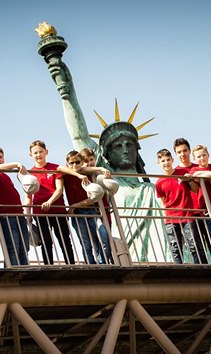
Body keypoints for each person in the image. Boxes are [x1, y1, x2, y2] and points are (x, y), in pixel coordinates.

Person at [54, 59, 166, 262]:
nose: (125, 149)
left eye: (129, 145)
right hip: (126, 257)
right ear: (106, 154)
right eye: (118, 146)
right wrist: (67, 93)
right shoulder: (107, 177)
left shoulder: (150, 188)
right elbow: (80, 138)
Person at [25, 140, 80, 265]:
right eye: (35, 153)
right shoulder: (30, 173)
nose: (38, 154)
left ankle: (70, 264)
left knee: (64, 239)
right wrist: (27, 214)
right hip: (40, 213)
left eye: (41, 151)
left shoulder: (55, 168)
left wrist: (49, 201)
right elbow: (28, 196)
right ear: (31, 155)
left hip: (58, 211)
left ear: (46, 152)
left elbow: (59, 189)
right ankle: (48, 265)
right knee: (46, 241)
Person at [155, 149, 206, 264]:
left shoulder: (182, 172)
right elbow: (164, 202)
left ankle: (201, 269)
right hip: (171, 218)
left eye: (168, 159)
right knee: (175, 247)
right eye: (163, 161)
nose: (166, 163)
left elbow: (195, 189)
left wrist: (189, 180)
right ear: (158, 163)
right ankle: (179, 270)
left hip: (187, 215)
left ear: (172, 160)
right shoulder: (159, 182)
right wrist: (166, 220)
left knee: (194, 245)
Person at [63, 151, 114, 264]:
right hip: (77, 214)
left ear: (82, 163)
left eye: (77, 162)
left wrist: (100, 168)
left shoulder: (89, 175)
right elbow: (60, 169)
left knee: (103, 235)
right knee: (86, 243)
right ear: (67, 164)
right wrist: (77, 174)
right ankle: (91, 264)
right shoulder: (66, 175)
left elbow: (86, 171)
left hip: (92, 211)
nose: (74, 165)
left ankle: (103, 263)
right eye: (71, 163)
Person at [0, 144, 29, 266]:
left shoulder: (5, 176)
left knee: (24, 248)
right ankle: (13, 272)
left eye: (1, 157)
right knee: (12, 247)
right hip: (4, 216)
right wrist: (15, 164)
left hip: (19, 214)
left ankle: (24, 270)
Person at [80, 147, 115, 264]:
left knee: (106, 237)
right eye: (86, 161)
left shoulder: (100, 174)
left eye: (91, 159)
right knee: (98, 238)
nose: (90, 162)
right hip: (94, 211)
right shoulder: (85, 175)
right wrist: (99, 167)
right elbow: (83, 169)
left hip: (105, 209)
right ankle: (102, 262)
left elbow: (110, 188)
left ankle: (105, 261)